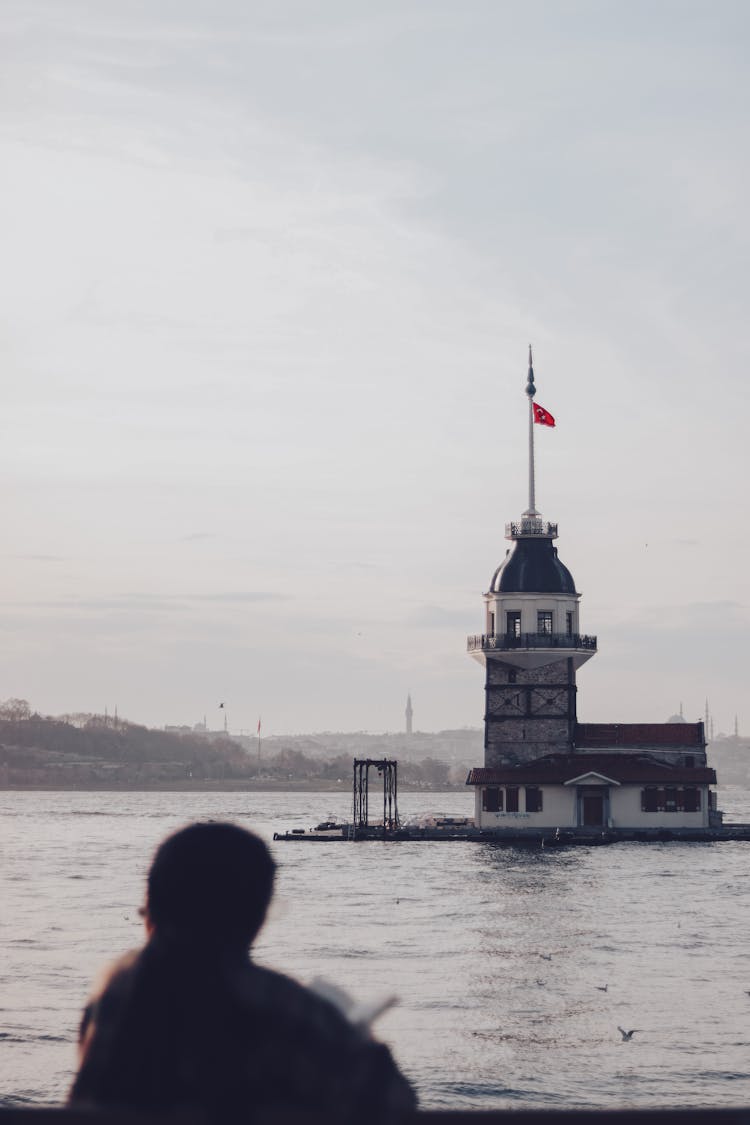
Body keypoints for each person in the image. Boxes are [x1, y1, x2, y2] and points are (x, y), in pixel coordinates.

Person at [69, 821, 416, 1120]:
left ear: (153, 909)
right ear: (255, 918)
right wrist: (358, 1034)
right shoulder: (279, 1006)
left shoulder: (112, 990)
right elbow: (395, 1102)